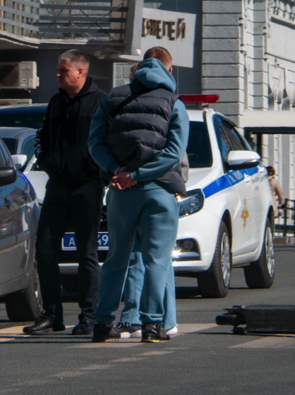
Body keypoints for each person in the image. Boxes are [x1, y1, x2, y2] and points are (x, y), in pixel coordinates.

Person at [89, 46, 189, 343]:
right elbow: (173, 153)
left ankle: (103, 323)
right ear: (168, 71)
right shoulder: (174, 103)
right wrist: (140, 174)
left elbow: (94, 143)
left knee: (117, 258)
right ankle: (151, 326)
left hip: (120, 192)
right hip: (159, 191)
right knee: (157, 260)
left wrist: (118, 171)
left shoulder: (112, 98)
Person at [23, 50, 107, 335]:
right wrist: (45, 160)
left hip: (87, 185)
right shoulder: (56, 101)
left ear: (80, 73)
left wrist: (98, 172)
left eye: (63, 71)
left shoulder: (100, 102)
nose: (57, 75)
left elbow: (109, 141)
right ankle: (51, 316)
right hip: (57, 185)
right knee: (44, 248)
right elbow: (41, 136)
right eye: (58, 71)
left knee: (86, 253)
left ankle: (88, 317)